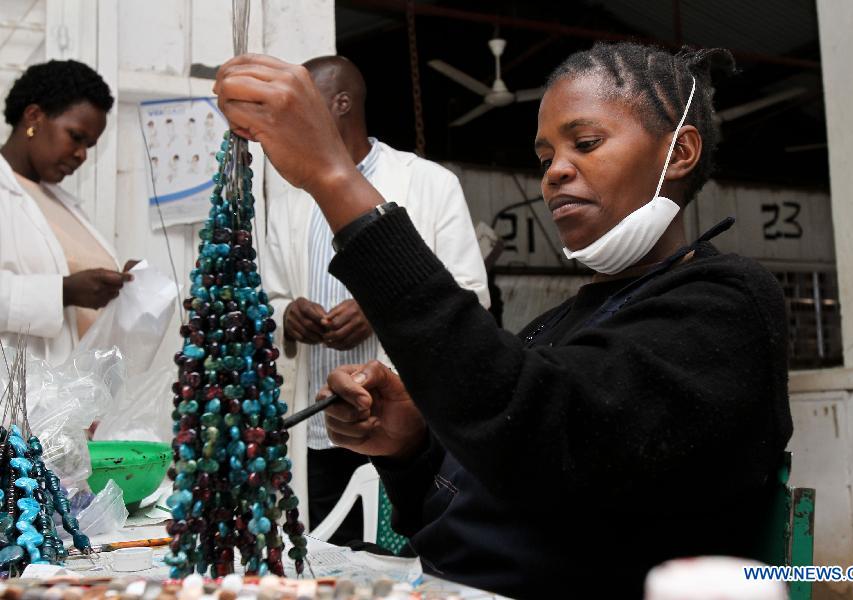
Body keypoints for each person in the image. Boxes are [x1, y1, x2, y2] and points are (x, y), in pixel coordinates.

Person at [215, 42, 792, 598]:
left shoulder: (728, 304)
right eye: (545, 159)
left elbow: (536, 435)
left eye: (585, 143)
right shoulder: (562, 322)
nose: (555, 173)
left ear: (680, 152)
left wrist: (336, 180)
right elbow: (473, 507)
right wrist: (413, 444)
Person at [262, 56, 489, 544]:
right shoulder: (287, 200)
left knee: (408, 558)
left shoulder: (430, 183)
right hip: (319, 428)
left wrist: (384, 307)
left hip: (405, 425)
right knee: (325, 557)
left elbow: (472, 296)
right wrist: (286, 314)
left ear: (340, 103)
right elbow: (270, 295)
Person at [0, 60, 136, 365]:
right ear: (33, 116)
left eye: (90, 145)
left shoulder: (63, 204)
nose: (82, 155)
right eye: (76, 137)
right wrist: (62, 292)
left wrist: (125, 282)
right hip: (17, 398)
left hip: (80, 399)